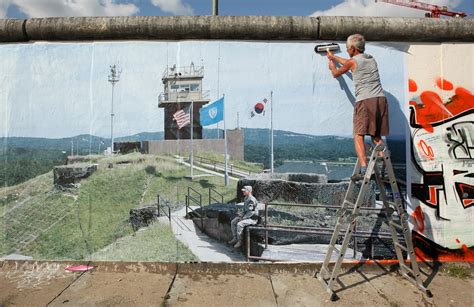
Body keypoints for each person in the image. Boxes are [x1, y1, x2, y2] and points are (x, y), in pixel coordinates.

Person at [326, 33, 389, 180]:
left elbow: (337, 73)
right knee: (375, 135)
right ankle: (386, 160)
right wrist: (334, 57)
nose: (347, 50)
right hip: (380, 99)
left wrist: (331, 66)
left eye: (348, 48)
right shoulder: (371, 59)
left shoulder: (352, 62)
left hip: (365, 101)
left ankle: (365, 168)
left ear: (353, 49)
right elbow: (349, 62)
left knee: (358, 134)